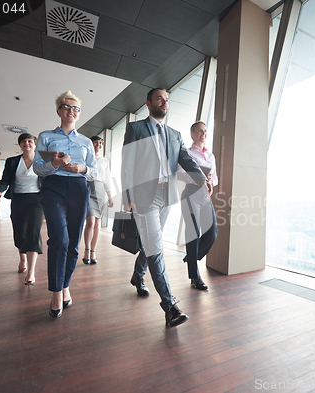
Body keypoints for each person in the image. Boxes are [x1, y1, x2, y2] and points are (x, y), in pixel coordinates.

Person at [121, 87, 212, 327]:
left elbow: (186, 159)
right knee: (156, 247)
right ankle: (169, 305)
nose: (165, 102)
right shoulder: (136, 128)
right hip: (144, 197)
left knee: (151, 243)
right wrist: (127, 194)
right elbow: (127, 163)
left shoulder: (174, 134)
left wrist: (202, 179)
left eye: (167, 100)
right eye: (160, 98)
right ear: (149, 103)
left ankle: (138, 275)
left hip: (166, 196)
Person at [33, 90, 97, 318]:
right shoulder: (46, 136)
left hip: (79, 189)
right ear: (59, 110)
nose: (71, 111)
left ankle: (65, 284)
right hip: (53, 188)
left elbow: (94, 171)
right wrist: (55, 164)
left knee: (74, 243)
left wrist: (83, 168)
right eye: (67, 107)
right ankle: (56, 291)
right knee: (59, 239)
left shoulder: (86, 142)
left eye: (76, 108)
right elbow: (37, 168)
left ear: (79, 114)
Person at [0, 133, 43, 285]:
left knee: (33, 232)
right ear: (20, 145)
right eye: (23, 141)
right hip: (18, 199)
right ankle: (23, 259)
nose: (26, 143)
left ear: (35, 144)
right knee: (20, 232)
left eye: (30, 141)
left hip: (37, 200)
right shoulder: (12, 161)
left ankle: (32, 273)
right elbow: (5, 180)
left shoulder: (41, 161)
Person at [177, 121, 218, 290]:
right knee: (193, 234)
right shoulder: (186, 153)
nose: (203, 134)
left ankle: (191, 257)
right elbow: (179, 173)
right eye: (200, 131)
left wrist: (210, 182)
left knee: (212, 233)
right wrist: (198, 178)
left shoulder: (211, 156)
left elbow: (215, 177)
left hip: (206, 196)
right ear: (192, 134)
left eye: (205, 131)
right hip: (191, 195)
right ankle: (195, 277)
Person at [82, 135, 114, 265]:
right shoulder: (85, 158)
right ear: (91, 144)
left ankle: (93, 251)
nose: (98, 145)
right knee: (90, 222)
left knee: (97, 224)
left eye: (100, 143)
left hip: (100, 190)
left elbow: (107, 179)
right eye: (95, 143)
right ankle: (86, 250)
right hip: (87, 188)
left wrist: (110, 197)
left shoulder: (104, 161)